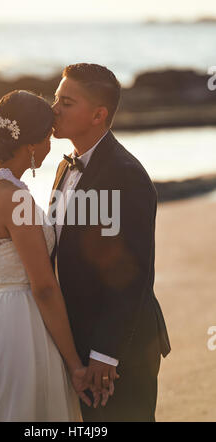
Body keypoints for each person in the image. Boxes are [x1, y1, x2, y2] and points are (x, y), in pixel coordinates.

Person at [0, 90, 100, 422]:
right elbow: (43, 287)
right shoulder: (16, 200)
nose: (51, 145)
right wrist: (74, 365)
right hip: (22, 331)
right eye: (48, 137)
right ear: (32, 145)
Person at [49, 63, 171, 422]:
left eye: (66, 102)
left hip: (122, 349)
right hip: (78, 341)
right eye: (56, 98)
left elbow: (132, 275)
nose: (54, 108)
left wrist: (105, 353)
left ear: (98, 115)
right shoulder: (64, 167)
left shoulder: (126, 175)